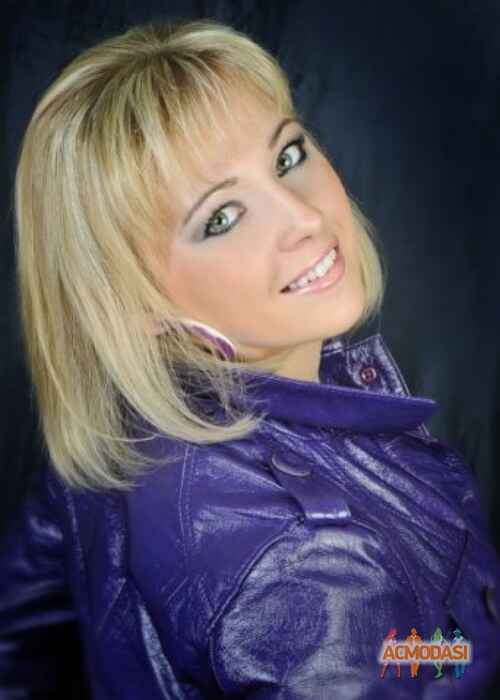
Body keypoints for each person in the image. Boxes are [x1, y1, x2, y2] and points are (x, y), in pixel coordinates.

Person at [2, 16, 500, 699]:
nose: (306, 219)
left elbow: (18, 645)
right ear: (134, 303)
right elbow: (413, 663)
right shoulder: (308, 568)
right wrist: (463, 652)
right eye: (222, 218)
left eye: (287, 156)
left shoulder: (109, 430)